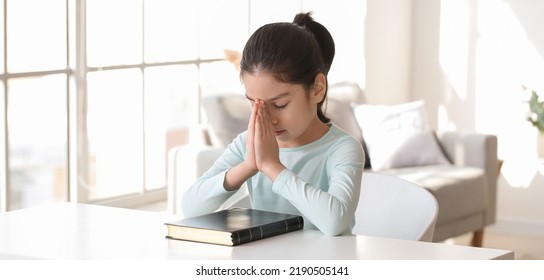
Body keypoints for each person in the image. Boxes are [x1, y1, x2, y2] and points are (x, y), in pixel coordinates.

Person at [181, 12, 365, 236]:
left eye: (280, 104)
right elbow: (190, 207)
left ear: (317, 88)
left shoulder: (342, 148)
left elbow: (335, 222)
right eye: (256, 105)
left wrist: (271, 166)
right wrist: (248, 166)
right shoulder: (249, 144)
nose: (269, 119)